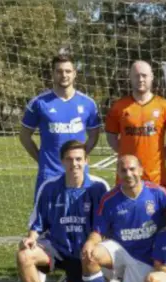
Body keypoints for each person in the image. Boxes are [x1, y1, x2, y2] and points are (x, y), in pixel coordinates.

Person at [16, 140, 109, 282]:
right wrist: (32, 238)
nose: (74, 164)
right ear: (62, 162)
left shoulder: (99, 187)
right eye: (69, 159)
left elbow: (104, 226)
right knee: (24, 255)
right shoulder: (49, 187)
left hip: (83, 255)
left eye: (78, 159)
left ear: (86, 161)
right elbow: (37, 222)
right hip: (56, 248)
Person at [81, 155, 166, 282]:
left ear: (141, 170)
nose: (128, 174)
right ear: (118, 173)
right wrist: (90, 243)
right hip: (120, 250)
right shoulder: (109, 199)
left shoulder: (158, 193)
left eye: (132, 169)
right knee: (91, 254)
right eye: (123, 170)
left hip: (146, 257)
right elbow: (98, 231)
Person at [20, 53, 101, 199]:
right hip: (49, 175)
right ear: (53, 74)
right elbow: (24, 137)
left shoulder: (88, 104)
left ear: (75, 73)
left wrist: (81, 157)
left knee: (80, 219)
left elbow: (94, 135)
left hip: (79, 173)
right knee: (46, 220)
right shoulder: (39, 103)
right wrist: (41, 160)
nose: (64, 75)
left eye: (68, 71)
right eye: (59, 71)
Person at [105, 60, 166, 189]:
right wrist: (125, 153)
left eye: (144, 75)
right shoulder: (119, 107)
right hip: (127, 175)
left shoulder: (164, 106)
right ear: (130, 78)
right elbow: (111, 136)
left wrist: (161, 156)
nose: (140, 79)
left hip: (155, 177)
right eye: (136, 75)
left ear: (151, 77)